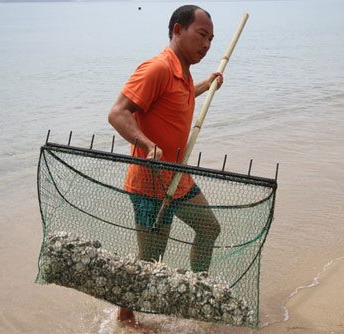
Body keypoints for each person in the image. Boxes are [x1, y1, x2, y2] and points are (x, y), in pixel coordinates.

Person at [107, 4, 223, 328]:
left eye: (211, 39)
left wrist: (206, 83)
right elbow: (117, 113)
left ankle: (195, 294)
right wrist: (147, 145)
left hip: (179, 179)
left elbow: (178, 98)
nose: (206, 45)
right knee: (150, 261)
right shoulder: (157, 68)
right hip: (149, 185)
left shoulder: (183, 73)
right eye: (202, 35)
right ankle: (125, 320)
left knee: (209, 227)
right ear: (177, 30)